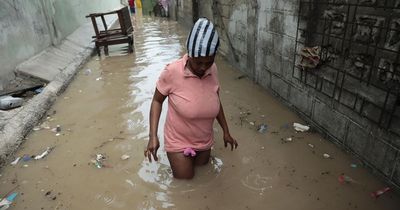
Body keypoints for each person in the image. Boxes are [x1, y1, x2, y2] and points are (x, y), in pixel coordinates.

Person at [145, 18, 238, 179]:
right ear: (189, 55)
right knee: (185, 181)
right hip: (178, 141)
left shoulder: (213, 69)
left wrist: (226, 131)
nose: (203, 67)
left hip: (204, 139)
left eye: (208, 62)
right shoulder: (172, 72)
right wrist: (153, 136)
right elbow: (157, 101)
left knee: (204, 174)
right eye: (198, 62)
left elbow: (215, 100)